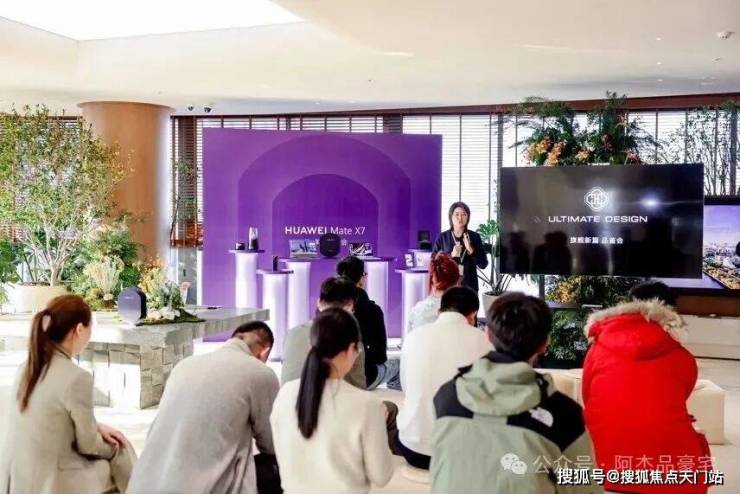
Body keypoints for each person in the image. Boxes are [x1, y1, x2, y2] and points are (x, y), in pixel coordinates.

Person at [432, 293, 600, 494]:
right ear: (544, 343)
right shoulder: (564, 414)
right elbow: (585, 487)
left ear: (487, 334)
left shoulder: (448, 396)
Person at [582, 281, 711, 494]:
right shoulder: (682, 357)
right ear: (670, 311)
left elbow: (588, 398)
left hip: (601, 463)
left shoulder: (596, 350)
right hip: (669, 473)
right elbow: (681, 397)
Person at [0, 294, 135, 494]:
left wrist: (96, 427)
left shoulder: (27, 367)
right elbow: (88, 445)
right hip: (52, 480)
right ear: (79, 329)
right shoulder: (77, 378)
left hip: (16, 478)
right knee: (121, 448)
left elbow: (49, 417)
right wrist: (113, 447)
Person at [128, 321, 280, 494]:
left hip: (142, 486)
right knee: (281, 464)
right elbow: (273, 443)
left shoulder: (184, 366)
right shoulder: (260, 372)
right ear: (264, 352)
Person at [270, 308, 394, 493]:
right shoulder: (367, 404)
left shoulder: (285, 393)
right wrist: (377, 427)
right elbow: (381, 476)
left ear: (310, 347)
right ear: (351, 350)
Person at [397, 286, 491, 470]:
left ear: (440, 311)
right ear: (472, 315)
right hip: (461, 453)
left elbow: (406, 388)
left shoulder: (414, 337)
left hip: (413, 449)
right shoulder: (483, 341)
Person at [281, 276, 365, 387]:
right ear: (350, 307)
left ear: (319, 303)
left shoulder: (292, 334)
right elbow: (359, 388)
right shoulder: (351, 342)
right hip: (333, 396)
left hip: (288, 396)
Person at [336, 255, 398, 390]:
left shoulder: (328, 308)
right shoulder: (373, 310)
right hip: (364, 378)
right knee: (398, 365)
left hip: (333, 380)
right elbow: (380, 357)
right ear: (361, 279)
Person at [432, 201, 488, 292]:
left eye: (464, 214)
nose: (460, 218)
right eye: (457, 214)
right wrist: (451, 255)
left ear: (468, 217)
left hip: (470, 288)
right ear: (451, 217)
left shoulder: (474, 237)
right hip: (448, 287)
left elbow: (483, 264)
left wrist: (471, 250)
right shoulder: (442, 237)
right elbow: (434, 263)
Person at [407, 252, 460, 333]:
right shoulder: (462, 315)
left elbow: (409, 339)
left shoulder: (416, 311)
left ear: (432, 280)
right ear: (457, 282)